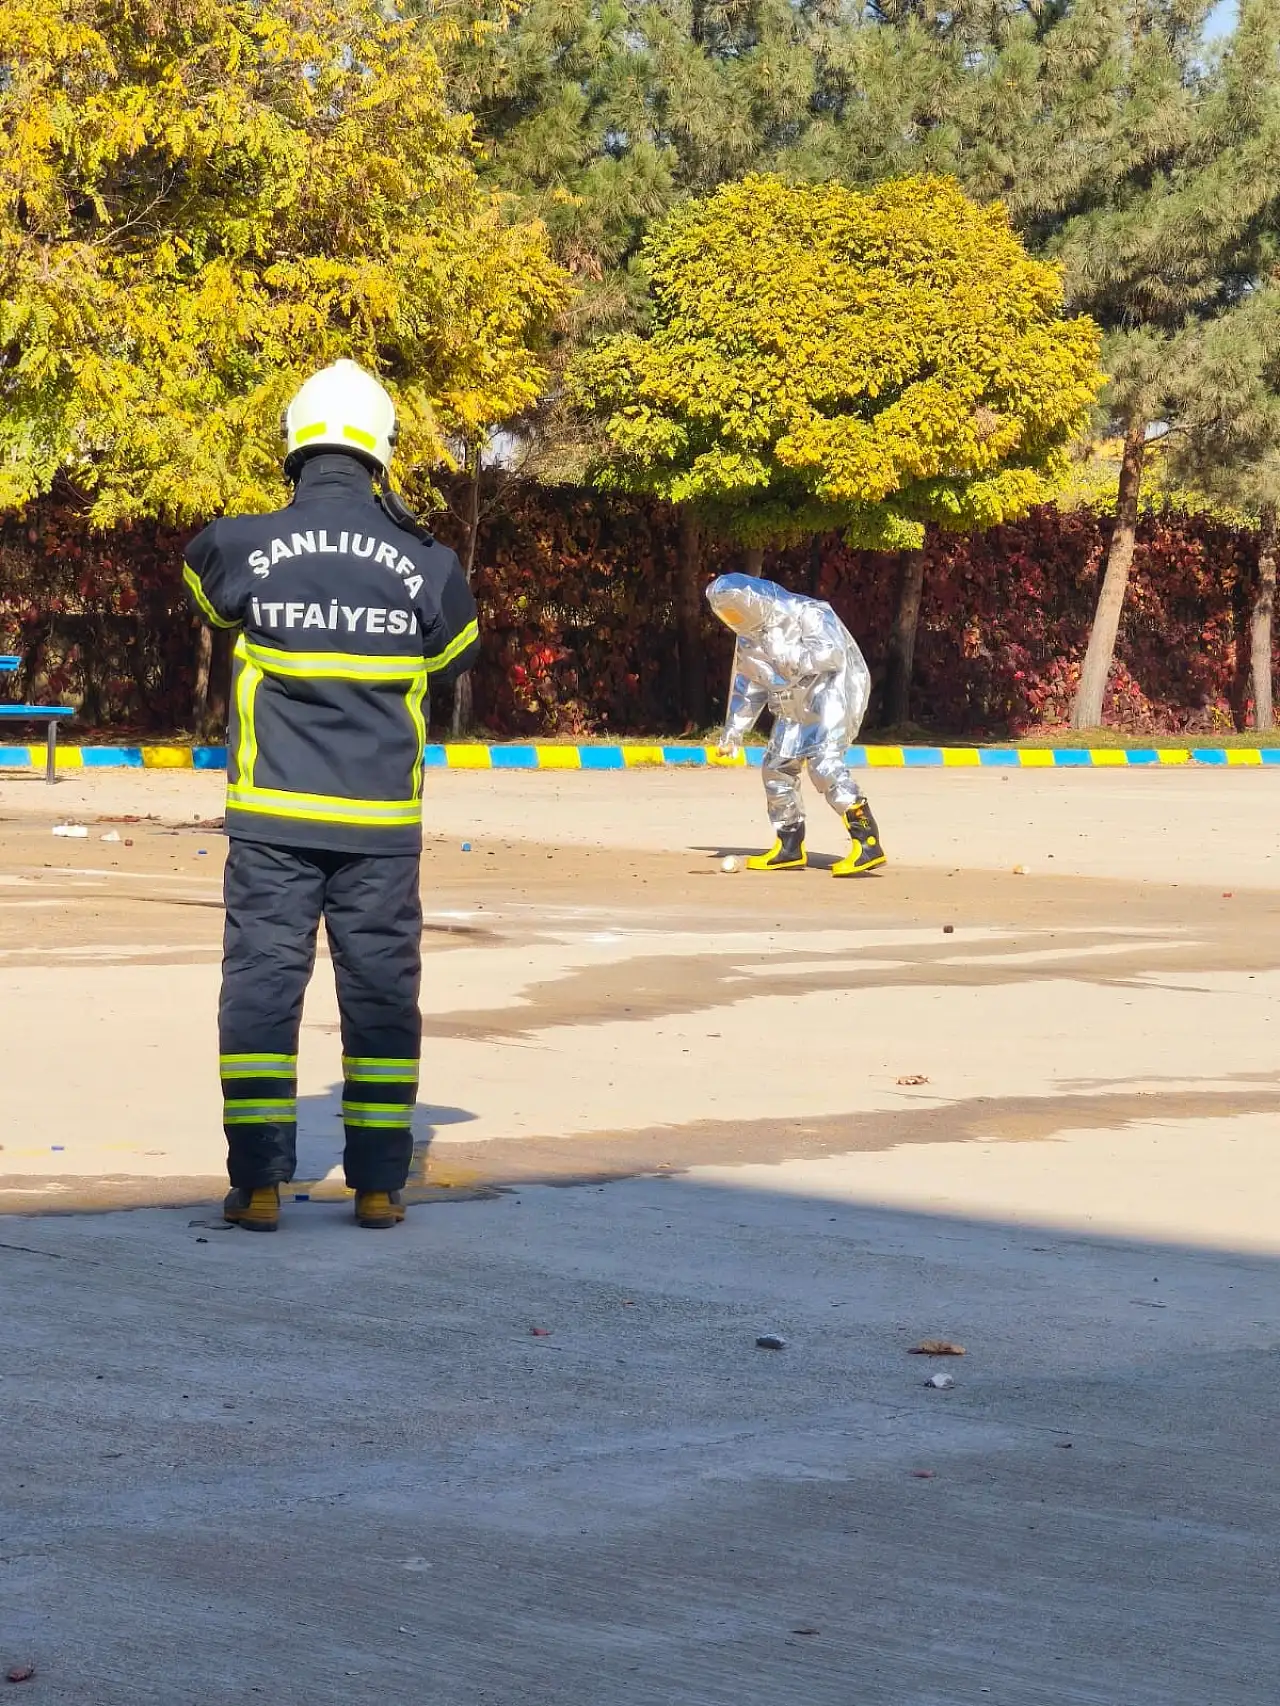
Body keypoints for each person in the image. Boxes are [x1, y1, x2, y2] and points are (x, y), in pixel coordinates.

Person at [183, 360, 480, 1232]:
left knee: (262, 988)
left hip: (273, 820)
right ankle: (380, 1185)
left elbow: (207, 594)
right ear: (382, 452)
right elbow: (453, 654)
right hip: (380, 827)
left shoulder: (240, 545)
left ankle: (259, 1184)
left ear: (296, 447)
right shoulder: (428, 562)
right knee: (380, 994)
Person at [706, 573, 885, 876]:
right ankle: (789, 845)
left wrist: (788, 655)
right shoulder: (749, 638)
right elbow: (748, 686)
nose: (735, 619)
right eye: (728, 615)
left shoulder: (807, 612)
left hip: (830, 697)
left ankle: (867, 842)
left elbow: (832, 653)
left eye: (737, 611)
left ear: (752, 601)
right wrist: (733, 732)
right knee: (776, 767)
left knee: (825, 766)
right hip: (791, 706)